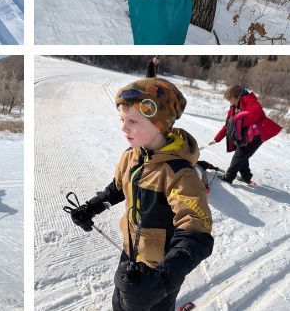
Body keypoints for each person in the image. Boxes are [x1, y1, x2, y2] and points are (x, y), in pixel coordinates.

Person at [69, 78, 213, 311]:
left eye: (133, 121)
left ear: (159, 124)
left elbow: (197, 235)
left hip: (160, 268)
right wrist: (92, 207)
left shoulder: (179, 174)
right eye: (123, 120)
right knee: (120, 303)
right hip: (129, 254)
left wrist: (163, 280)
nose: (123, 128)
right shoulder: (131, 156)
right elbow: (116, 188)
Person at [208, 85, 282, 185]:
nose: (230, 102)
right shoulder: (234, 107)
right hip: (244, 136)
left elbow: (256, 114)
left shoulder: (249, 100)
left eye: (231, 99)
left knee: (240, 155)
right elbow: (228, 125)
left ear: (238, 96)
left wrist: (239, 123)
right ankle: (246, 177)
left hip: (255, 135)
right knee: (242, 155)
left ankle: (229, 177)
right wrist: (217, 139)